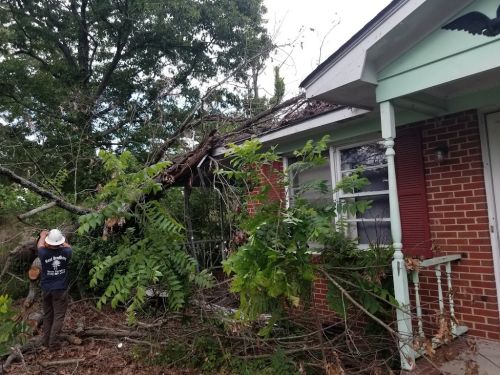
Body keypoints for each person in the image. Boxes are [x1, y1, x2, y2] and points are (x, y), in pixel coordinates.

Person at [37, 229, 72, 350]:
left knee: (48, 315)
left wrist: (43, 235)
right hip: (60, 289)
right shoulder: (67, 251)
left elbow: (40, 245)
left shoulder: (43, 253)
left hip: (46, 288)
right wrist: (61, 240)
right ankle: (53, 344)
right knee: (58, 316)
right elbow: (68, 246)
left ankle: (46, 341)